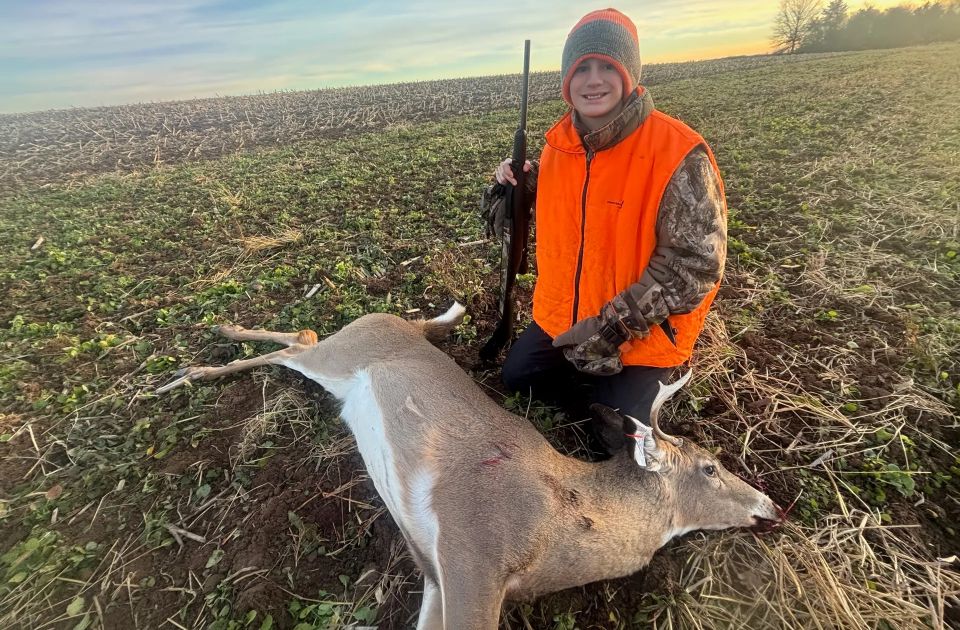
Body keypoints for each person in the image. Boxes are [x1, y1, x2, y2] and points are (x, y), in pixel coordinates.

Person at [482, 8, 727, 451]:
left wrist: (609, 330)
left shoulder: (677, 152)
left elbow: (694, 267)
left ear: (629, 74)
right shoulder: (557, 149)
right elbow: (561, 209)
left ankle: (641, 384)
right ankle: (595, 382)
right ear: (567, 80)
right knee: (518, 378)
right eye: (582, 68)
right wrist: (515, 184)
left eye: (607, 67)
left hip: (640, 333)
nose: (593, 81)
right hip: (566, 320)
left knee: (618, 441)